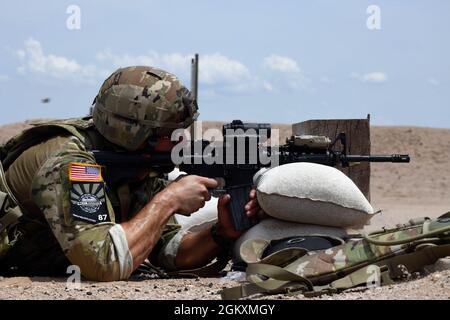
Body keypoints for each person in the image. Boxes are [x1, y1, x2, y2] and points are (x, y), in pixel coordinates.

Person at [0, 66, 260, 281]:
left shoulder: (133, 163)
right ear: (134, 133)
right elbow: (103, 263)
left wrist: (220, 233)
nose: (181, 142)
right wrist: (168, 200)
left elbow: (169, 251)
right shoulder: (71, 162)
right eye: (172, 134)